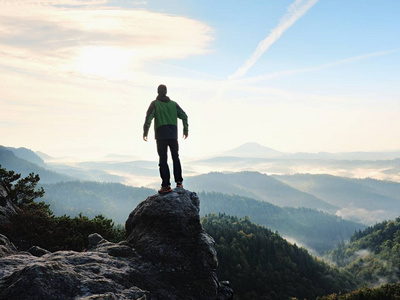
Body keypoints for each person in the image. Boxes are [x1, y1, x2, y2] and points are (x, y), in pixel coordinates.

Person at [143, 84, 189, 194]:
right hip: (173, 135)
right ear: (166, 92)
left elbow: (148, 117)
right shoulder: (174, 104)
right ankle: (179, 182)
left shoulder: (155, 104)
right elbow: (184, 116)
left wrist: (145, 131)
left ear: (158, 92)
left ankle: (166, 185)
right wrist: (185, 130)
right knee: (175, 158)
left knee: (163, 160)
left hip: (161, 136)